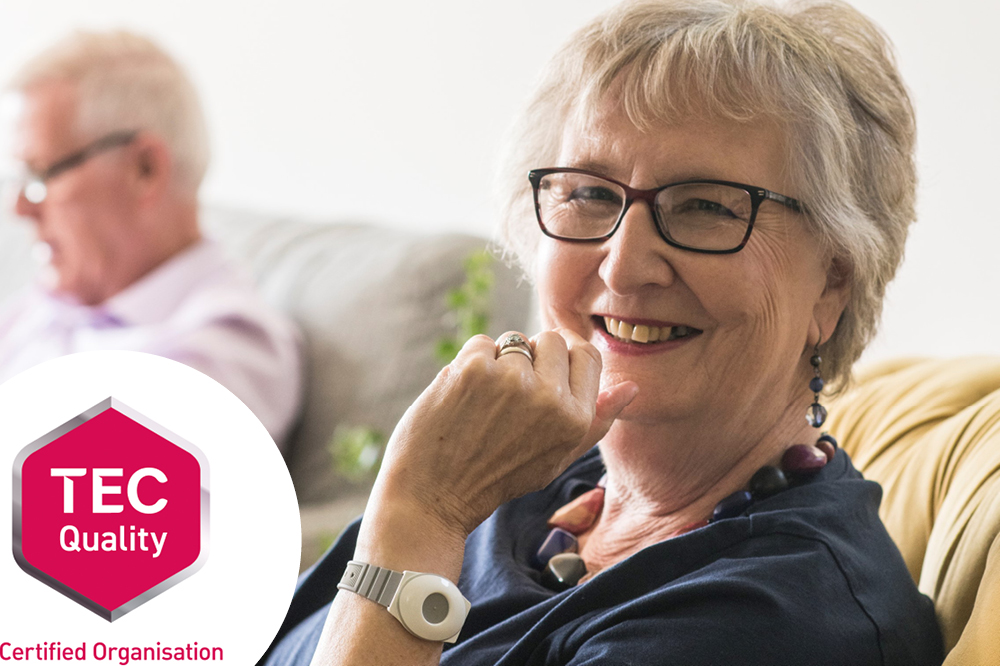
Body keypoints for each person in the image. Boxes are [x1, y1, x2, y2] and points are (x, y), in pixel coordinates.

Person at [262, 0, 943, 663]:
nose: (624, 264)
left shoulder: (772, 620)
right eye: (590, 193)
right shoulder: (524, 473)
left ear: (833, 280)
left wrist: (418, 519)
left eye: (705, 205)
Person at [0, 31, 303, 447]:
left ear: (145, 169)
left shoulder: (227, 347)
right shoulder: (39, 311)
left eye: (40, 175)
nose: (18, 208)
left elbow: (81, 500)